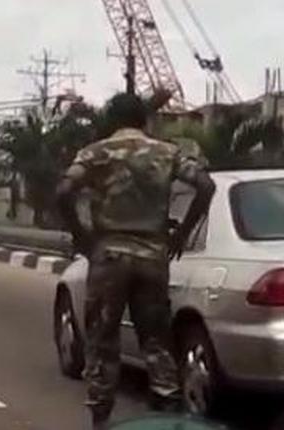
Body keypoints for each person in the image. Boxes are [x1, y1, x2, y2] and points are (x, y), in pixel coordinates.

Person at [56, 93, 215, 429]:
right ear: (144, 120)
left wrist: (82, 236)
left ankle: (101, 419)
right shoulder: (166, 152)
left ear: (112, 122)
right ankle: (167, 418)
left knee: (102, 341)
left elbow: (64, 191)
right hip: (153, 257)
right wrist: (182, 233)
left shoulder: (96, 153)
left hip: (108, 257)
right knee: (157, 342)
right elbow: (205, 185)